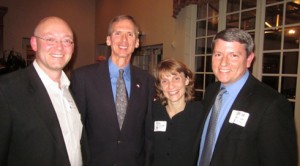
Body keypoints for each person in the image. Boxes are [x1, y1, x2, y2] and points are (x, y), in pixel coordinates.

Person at [196, 28, 297, 166]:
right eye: (218, 54)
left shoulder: (272, 104)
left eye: (234, 55)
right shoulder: (211, 91)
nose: (223, 63)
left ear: (249, 59)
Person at [0, 16, 89, 166]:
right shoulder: (6, 90)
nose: (59, 47)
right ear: (34, 43)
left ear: (73, 47)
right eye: (50, 39)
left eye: (66, 40)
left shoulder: (70, 90)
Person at [70, 15, 154, 166]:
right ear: (108, 40)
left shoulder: (147, 81)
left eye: (129, 34)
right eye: (117, 33)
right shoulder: (83, 78)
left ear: (137, 42)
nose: (123, 40)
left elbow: (147, 132)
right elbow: (75, 130)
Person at [152, 58, 204, 166]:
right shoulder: (152, 111)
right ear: (160, 86)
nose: (171, 86)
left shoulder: (200, 113)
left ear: (186, 80)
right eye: (165, 81)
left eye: (176, 78)